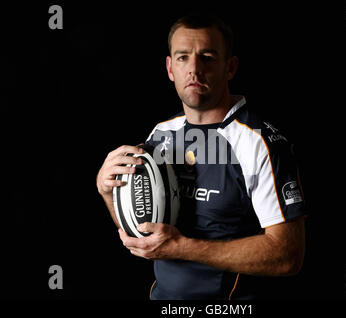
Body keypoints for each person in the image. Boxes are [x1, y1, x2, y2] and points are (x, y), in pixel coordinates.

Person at [96, 14, 307, 300]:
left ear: (230, 67)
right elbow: (144, 234)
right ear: (170, 68)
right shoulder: (161, 135)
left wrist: (182, 247)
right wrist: (108, 192)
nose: (194, 69)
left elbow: (287, 255)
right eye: (183, 58)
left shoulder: (258, 142)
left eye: (207, 57)